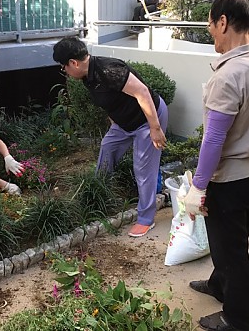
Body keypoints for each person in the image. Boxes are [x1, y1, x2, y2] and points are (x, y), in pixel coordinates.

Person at [181, 0, 249, 331]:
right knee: (233, 241)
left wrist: (198, 186)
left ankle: (239, 319)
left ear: (223, 22)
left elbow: (213, 140)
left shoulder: (228, 75)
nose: (210, 31)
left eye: (210, 23)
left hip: (232, 181)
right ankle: (218, 285)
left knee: (231, 252)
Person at [52, 36, 168, 237]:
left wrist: (155, 128)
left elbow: (142, 92)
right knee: (108, 147)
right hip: (124, 124)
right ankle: (99, 194)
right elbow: (110, 99)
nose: (65, 72)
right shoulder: (87, 76)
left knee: (143, 167)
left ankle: (146, 219)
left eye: (64, 67)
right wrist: (114, 121)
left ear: (74, 63)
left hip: (147, 120)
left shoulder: (108, 69)